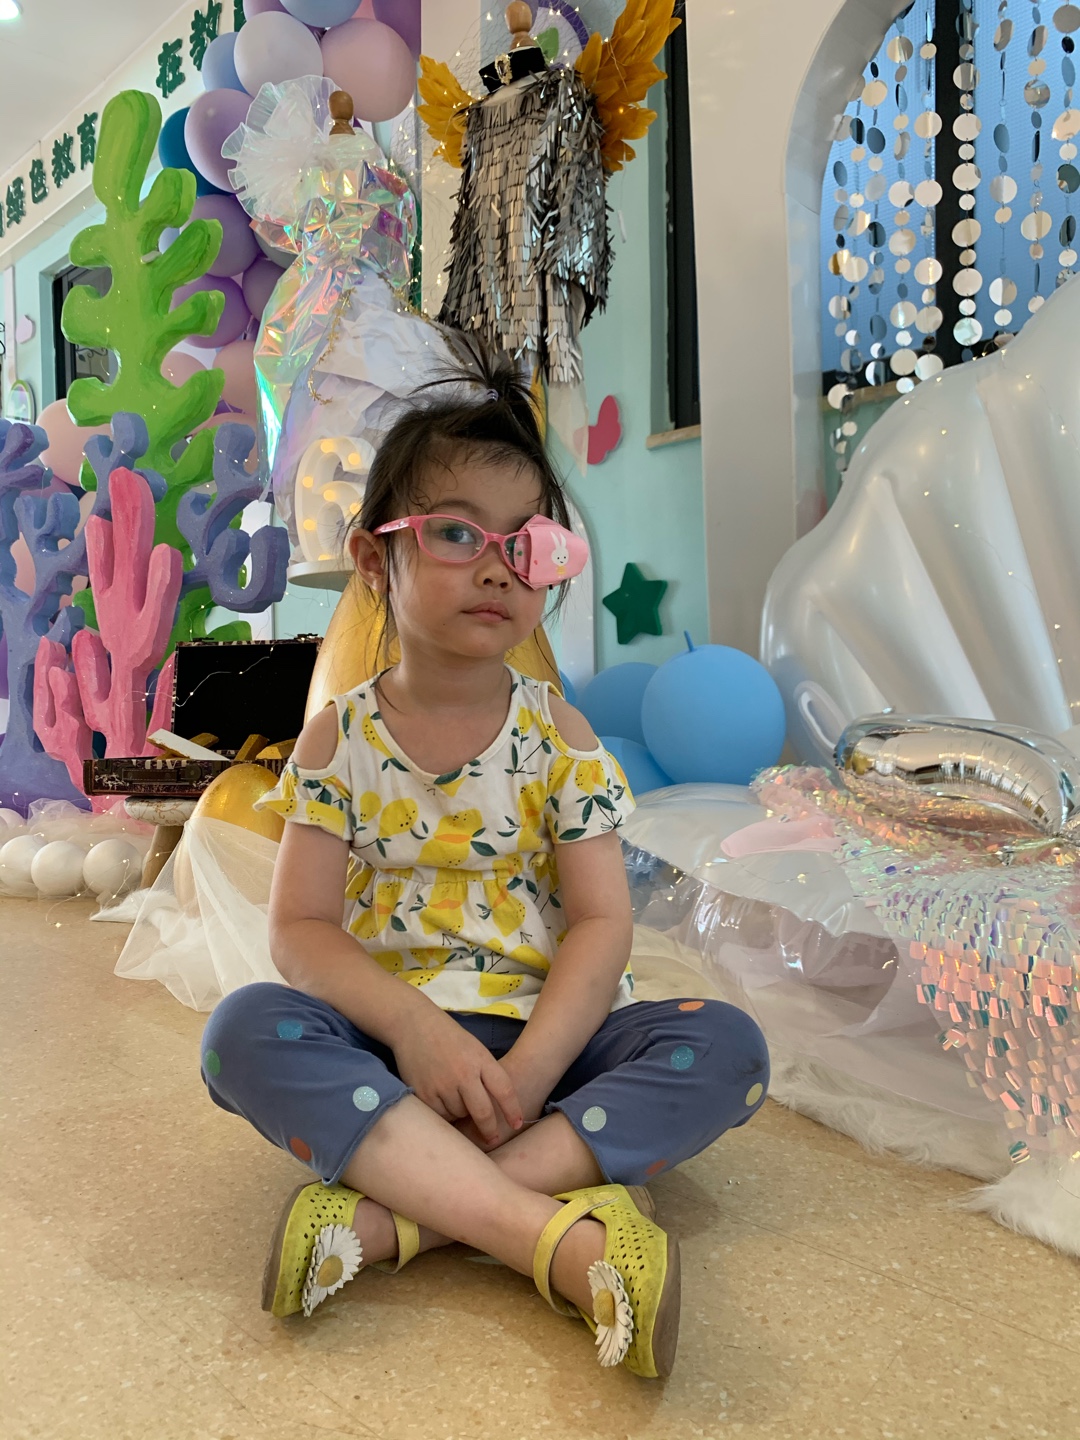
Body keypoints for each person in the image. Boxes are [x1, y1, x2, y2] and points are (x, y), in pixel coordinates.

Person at [199, 354, 770, 1379]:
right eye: (457, 533)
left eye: (527, 543)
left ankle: (398, 1217)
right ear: (374, 561)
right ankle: (550, 1235)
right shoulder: (338, 740)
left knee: (727, 1048)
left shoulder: (560, 736)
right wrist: (414, 1030)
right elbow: (300, 931)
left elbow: (601, 924)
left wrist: (536, 1069)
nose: (499, 567)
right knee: (241, 1033)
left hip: (548, 1051)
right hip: (391, 1058)